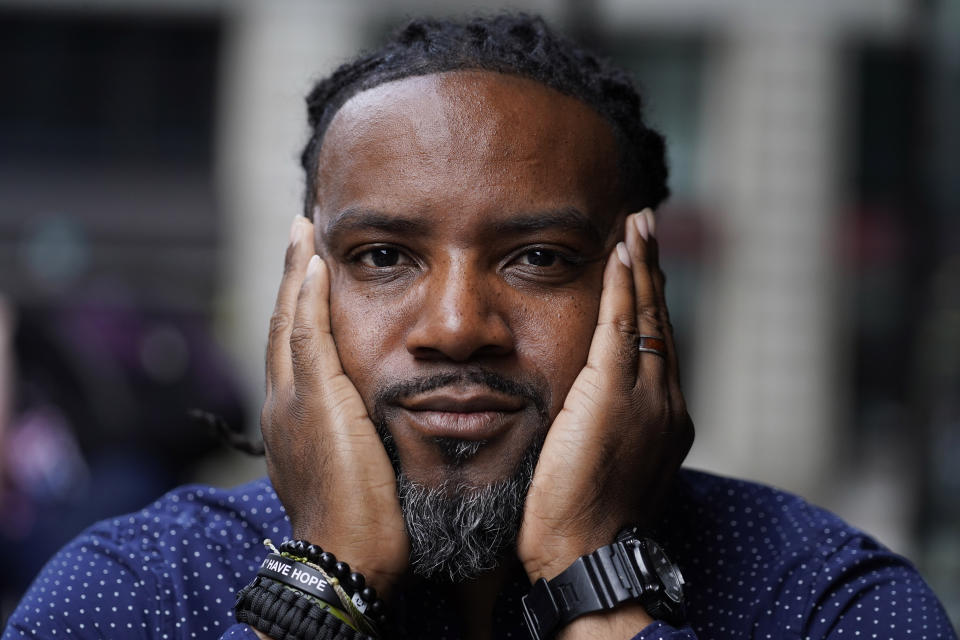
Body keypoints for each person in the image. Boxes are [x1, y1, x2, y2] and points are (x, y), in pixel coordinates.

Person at [3, 13, 955, 640]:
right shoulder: (138, 588)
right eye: (384, 257)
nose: (458, 327)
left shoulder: (825, 600)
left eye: (537, 258)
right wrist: (317, 589)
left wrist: (595, 584)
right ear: (303, 292)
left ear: (644, 290)